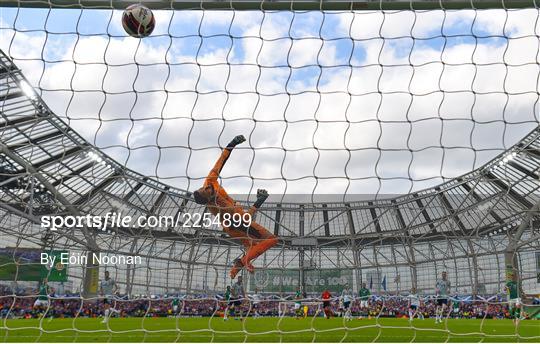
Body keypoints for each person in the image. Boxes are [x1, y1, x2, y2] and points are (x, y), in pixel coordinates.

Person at [193, 135, 279, 279]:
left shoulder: (210, 181)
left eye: (203, 188)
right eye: (205, 191)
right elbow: (243, 218)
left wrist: (231, 144)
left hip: (237, 224)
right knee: (271, 240)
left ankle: (237, 268)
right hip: (236, 225)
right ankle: (244, 262)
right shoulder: (217, 208)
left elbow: (220, 162)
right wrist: (258, 203)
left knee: (255, 246)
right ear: (208, 199)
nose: (206, 187)